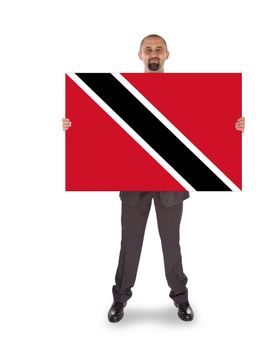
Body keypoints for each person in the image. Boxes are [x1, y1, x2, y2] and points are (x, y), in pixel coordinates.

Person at [62, 34, 245, 323]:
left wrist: (232, 127)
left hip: (170, 185)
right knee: (130, 244)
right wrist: (77, 124)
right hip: (134, 184)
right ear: (140, 56)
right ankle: (119, 299)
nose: (153, 53)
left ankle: (180, 298)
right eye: (148, 50)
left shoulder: (185, 92)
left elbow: (205, 124)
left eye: (158, 49)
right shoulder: (123, 91)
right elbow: (105, 129)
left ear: (167, 54)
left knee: (172, 245)